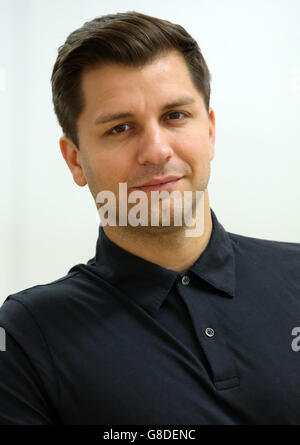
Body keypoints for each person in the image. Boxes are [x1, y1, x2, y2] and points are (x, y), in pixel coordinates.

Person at [0, 11, 300, 425]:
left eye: (175, 116)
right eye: (121, 128)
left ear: (209, 132)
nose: (157, 151)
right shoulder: (26, 337)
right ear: (75, 160)